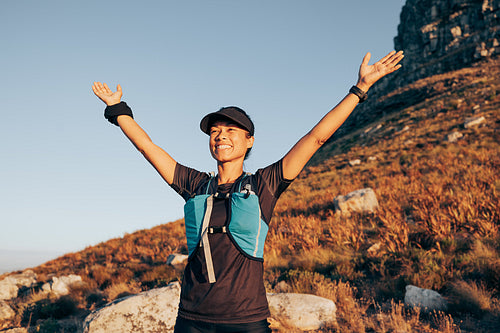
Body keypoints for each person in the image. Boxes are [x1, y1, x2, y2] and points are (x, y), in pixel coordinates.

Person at [92, 50, 404, 333]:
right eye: (215, 131)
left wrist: (359, 89)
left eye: (230, 131)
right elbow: (148, 148)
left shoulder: (264, 185)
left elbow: (315, 139)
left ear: (249, 140)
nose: (220, 136)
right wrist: (117, 109)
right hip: (191, 319)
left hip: (246, 321)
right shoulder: (195, 184)